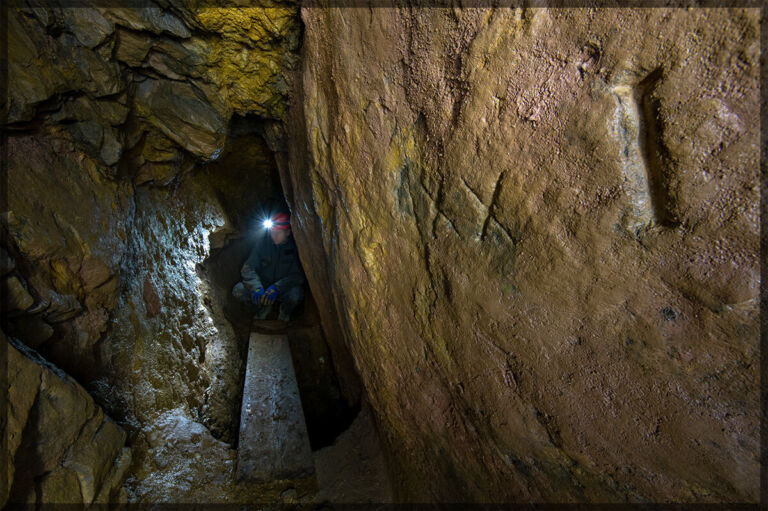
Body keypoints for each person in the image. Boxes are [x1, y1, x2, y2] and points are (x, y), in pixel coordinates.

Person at [232, 212, 305, 323]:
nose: (273, 236)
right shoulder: (263, 244)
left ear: (288, 232)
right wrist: (256, 287)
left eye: (278, 233)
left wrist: (277, 287)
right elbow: (248, 268)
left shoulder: (295, 248)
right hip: (263, 286)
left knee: (296, 294)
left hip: (282, 289)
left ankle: (285, 311)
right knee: (238, 290)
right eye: (272, 232)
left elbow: (298, 276)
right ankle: (262, 308)